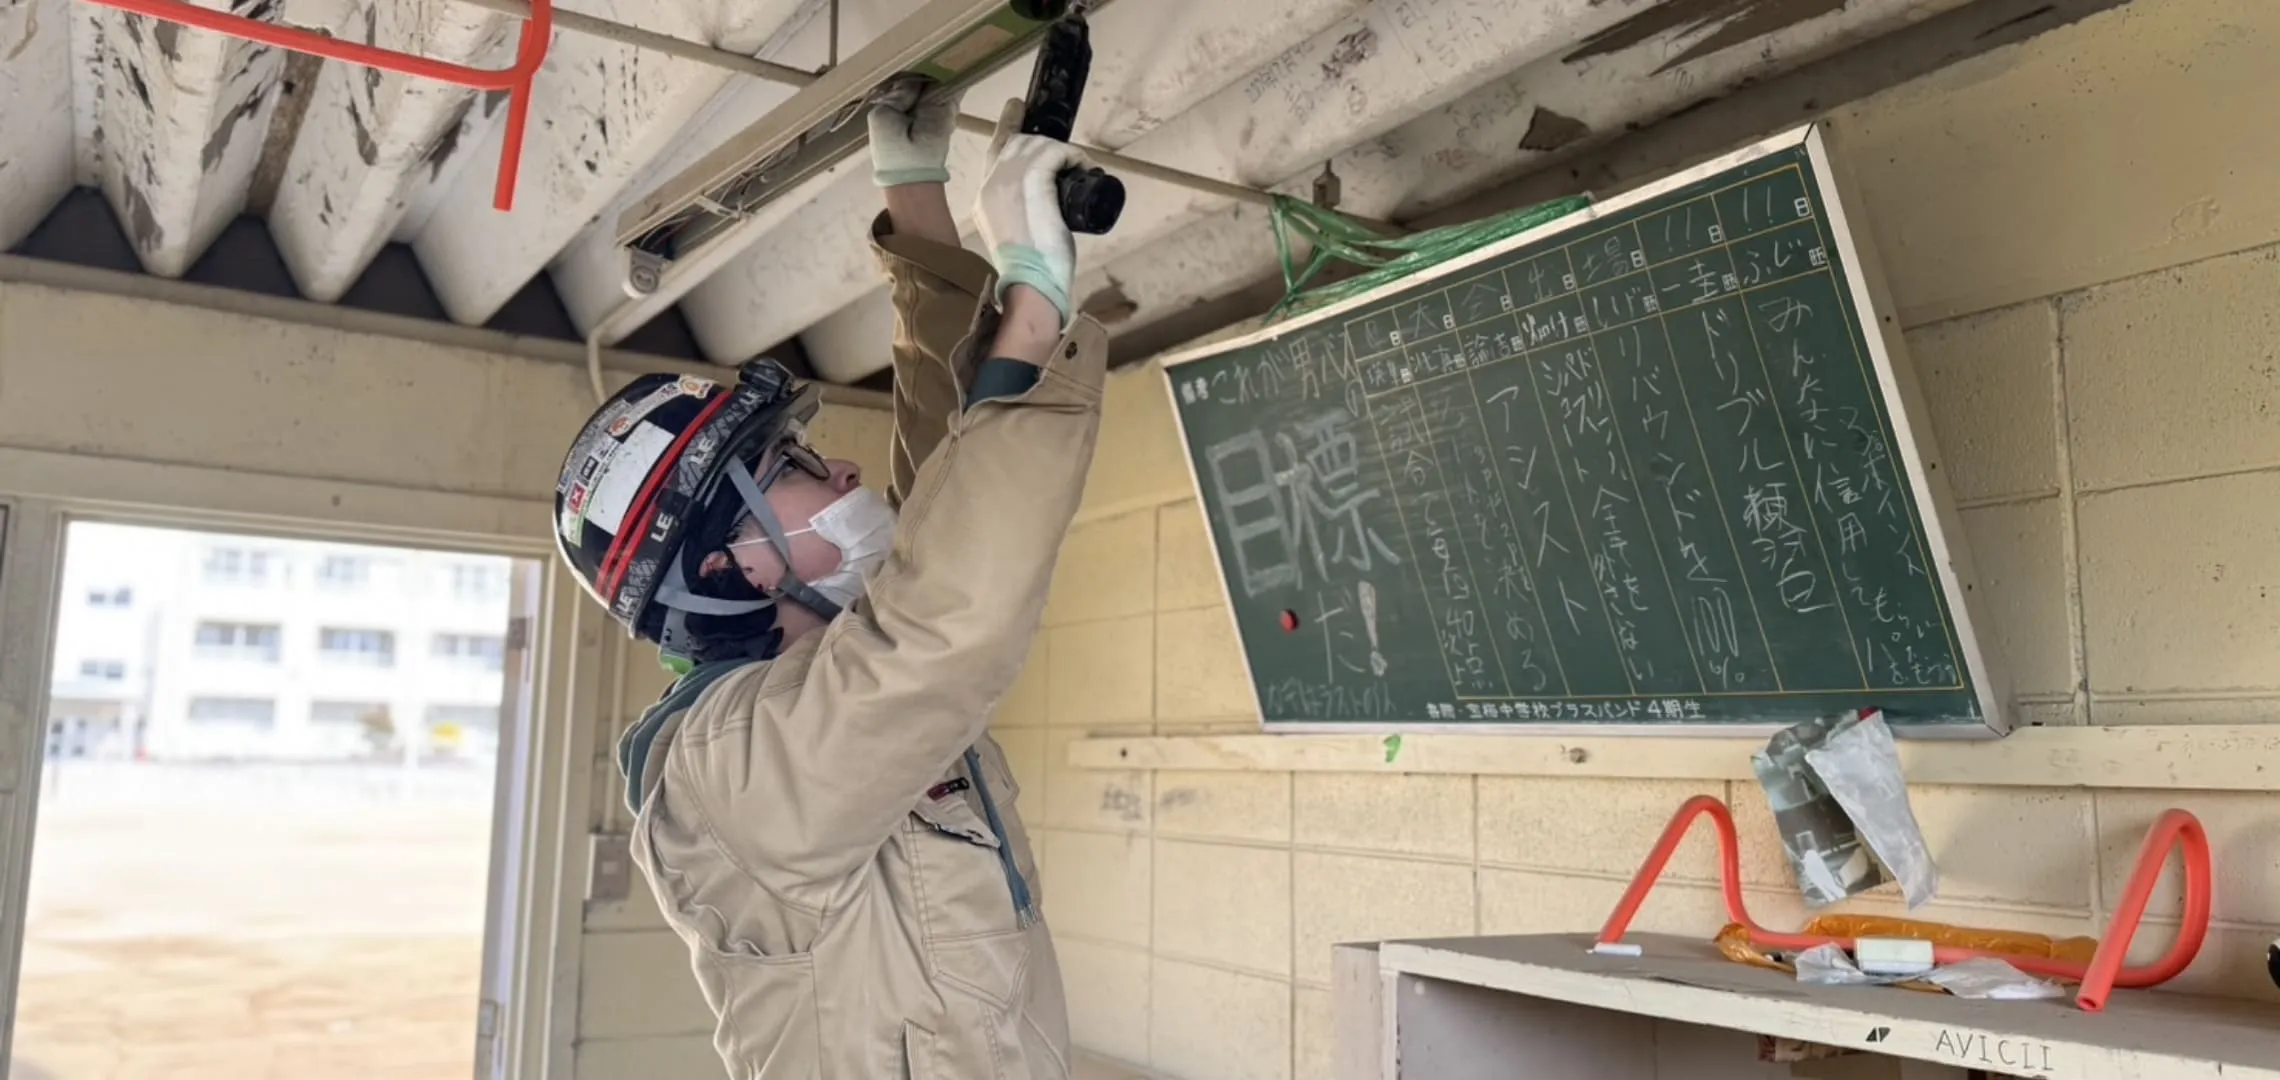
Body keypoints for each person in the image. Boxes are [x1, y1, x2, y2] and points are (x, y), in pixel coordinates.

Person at [549, 83, 1104, 1078]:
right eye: (794, 469)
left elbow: (953, 489)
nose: (840, 471)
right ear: (729, 565)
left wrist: (920, 198)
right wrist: (1033, 302)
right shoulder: (723, 779)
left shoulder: (824, 690)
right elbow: (941, 629)